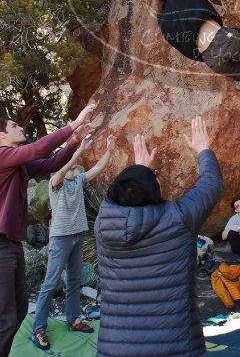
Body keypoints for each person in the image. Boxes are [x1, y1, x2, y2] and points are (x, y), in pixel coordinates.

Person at [0, 103, 95, 357]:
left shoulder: (17, 166)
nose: (21, 127)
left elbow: (50, 163)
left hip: (8, 247)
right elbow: (37, 149)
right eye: (14, 125)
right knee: (3, 320)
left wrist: (73, 142)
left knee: (15, 316)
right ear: (0, 135)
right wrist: (72, 124)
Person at [94, 116, 223, 356]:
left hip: (116, 348)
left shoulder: (103, 224)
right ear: (154, 191)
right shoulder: (177, 218)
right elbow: (211, 184)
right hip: (175, 347)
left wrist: (141, 171)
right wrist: (203, 150)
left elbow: (125, 194)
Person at [31, 133, 117, 351]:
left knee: (74, 282)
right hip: (60, 238)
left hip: (77, 235)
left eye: (75, 165)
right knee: (51, 284)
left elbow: (98, 169)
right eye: (73, 165)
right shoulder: (55, 183)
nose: (75, 167)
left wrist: (109, 149)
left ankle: (73, 319)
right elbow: (60, 170)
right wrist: (78, 151)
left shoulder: (78, 180)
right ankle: (38, 329)